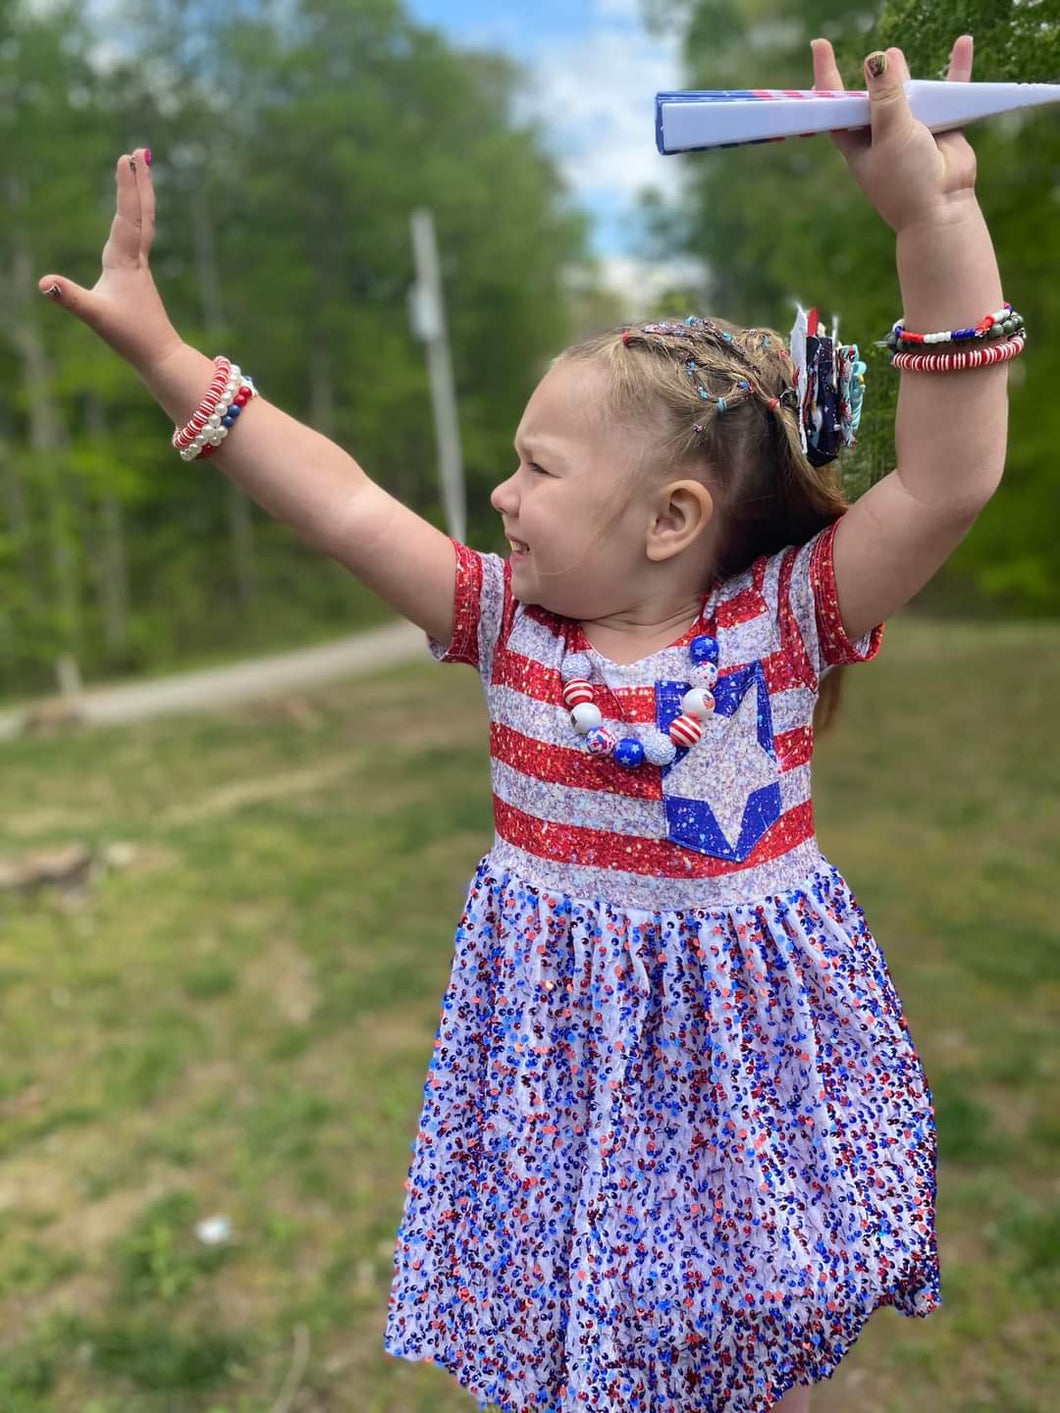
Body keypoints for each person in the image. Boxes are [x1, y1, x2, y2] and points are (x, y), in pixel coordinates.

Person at [39, 32, 1014, 1413]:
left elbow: (955, 474)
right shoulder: (506, 626)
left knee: (741, 1331)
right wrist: (166, 350)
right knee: (586, 1346)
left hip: (745, 1081)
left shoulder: (784, 622)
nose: (499, 493)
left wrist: (938, 213)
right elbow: (339, 500)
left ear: (673, 518)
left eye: (535, 467)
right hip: (565, 1083)